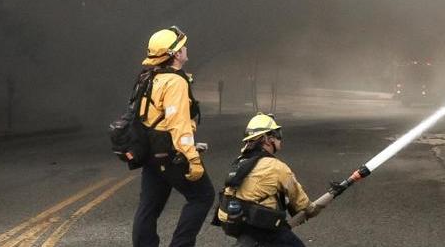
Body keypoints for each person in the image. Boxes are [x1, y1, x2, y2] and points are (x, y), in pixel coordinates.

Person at [132, 26, 213, 247]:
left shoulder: (149, 77)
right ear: (176, 54)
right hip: (170, 151)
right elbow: (178, 124)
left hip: (150, 149)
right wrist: (192, 157)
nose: (186, 48)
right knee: (202, 196)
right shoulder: (174, 81)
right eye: (182, 46)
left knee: (149, 206)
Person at [215, 114, 318, 247]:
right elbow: (301, 202)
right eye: (277, 134)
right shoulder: (277, 167)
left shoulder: (241, 160)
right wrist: (312, 210)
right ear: (267, 139)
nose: (280, 139)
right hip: (258, 225)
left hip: (231, 219)